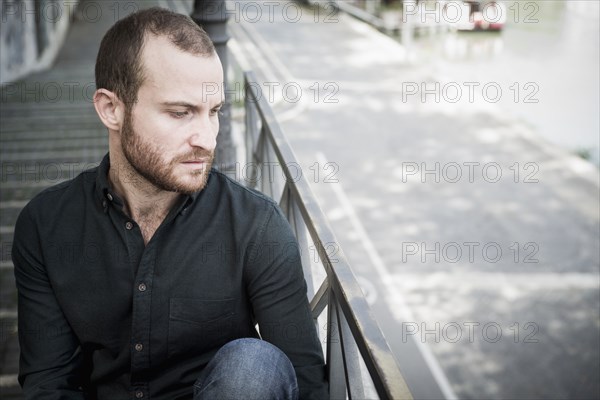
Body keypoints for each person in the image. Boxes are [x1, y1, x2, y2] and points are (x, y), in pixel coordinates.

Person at [12, 7, 328, 400]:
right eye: (180, 113)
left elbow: (306, 383)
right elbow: (50, 384)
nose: (207, 140)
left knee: (254, 366)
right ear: (111, 109)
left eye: (213, 112)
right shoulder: (46, 226)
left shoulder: (256, 226)